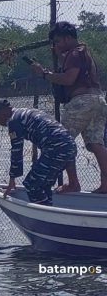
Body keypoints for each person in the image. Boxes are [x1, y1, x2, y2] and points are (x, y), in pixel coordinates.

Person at [30, 21, 107, 193]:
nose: (56, 45)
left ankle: (73, 183)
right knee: (95, 143)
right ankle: (106, 184)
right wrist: (59, 56)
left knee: (61, 141)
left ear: (67, 38)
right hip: (98, 100)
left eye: (57, 41)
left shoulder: (74, 53)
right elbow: (72, 71)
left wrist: (44, 74)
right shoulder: (82, 52)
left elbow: (69, 79)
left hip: (82, 102)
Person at [0, 99, 76, 206]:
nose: (0, 124)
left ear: (2, 113)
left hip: (55, 148)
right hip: (69, 145)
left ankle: (44, 215)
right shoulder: (24, 112)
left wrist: (12, 179)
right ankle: (48, 208)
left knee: (31, 184)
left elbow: (16, 150)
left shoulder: (13, 121)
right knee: (43, 184)